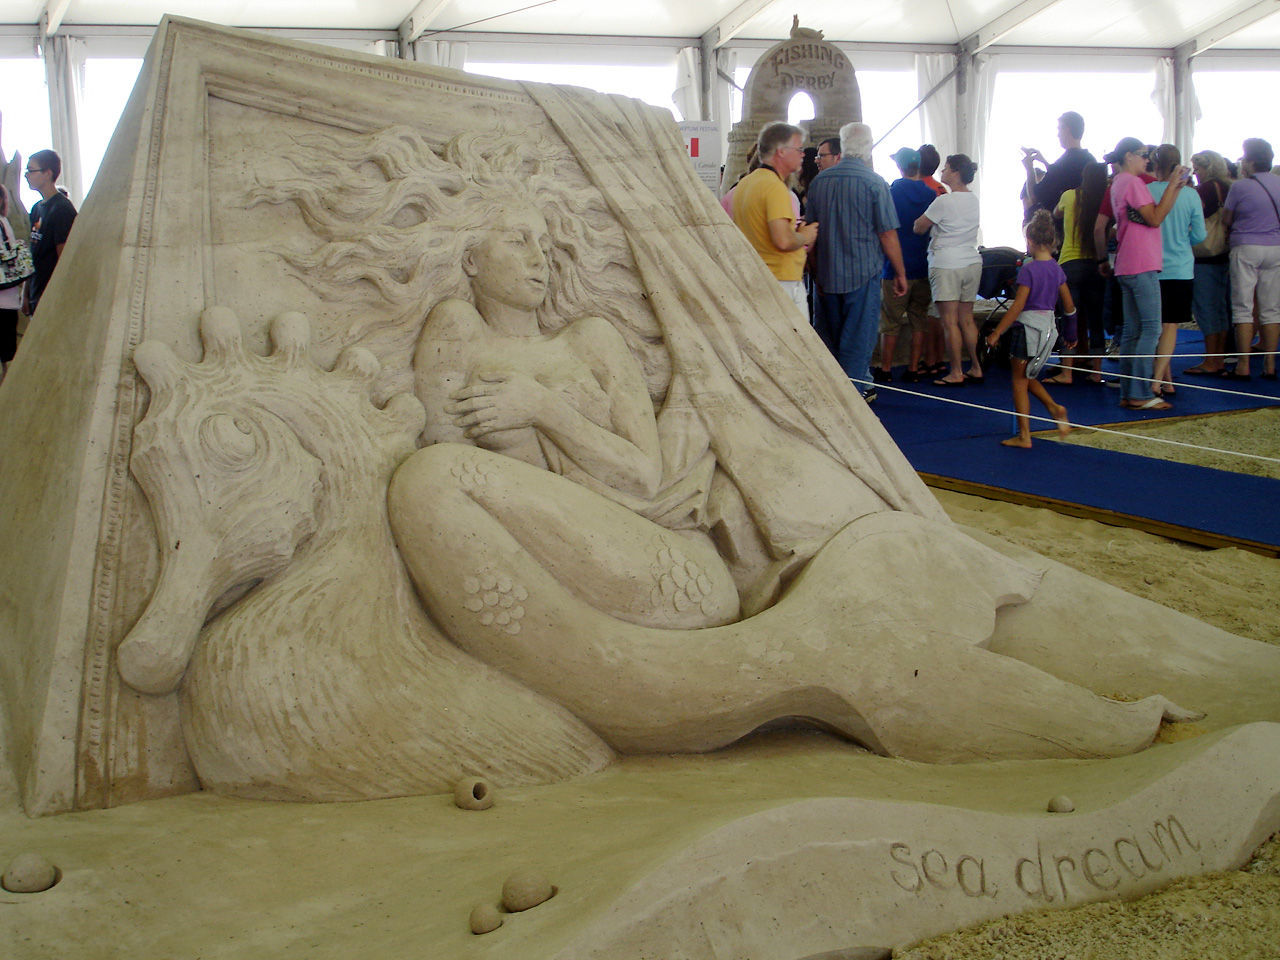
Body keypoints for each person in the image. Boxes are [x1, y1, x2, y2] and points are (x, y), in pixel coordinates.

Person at [804, 122, 907, 400]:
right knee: (858, 345)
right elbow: (887, 234)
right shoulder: (875, 182)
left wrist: (816, 272)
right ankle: (852, 404)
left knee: (829, 343)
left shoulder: (819, 182)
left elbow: (810, 232)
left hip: (826, 275)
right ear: (868, 147)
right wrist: (900, 273)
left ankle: (831, 400)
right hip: (862, 274)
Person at [1098, 136, 1189, 411]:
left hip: (1127, 263)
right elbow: (1155, 218)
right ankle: (1139, 392)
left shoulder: (1118, 183)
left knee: (1133, 330)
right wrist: (1172, 186)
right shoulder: (1133, 183)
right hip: (1141, 263)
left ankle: (1130, 392)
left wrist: (1174, 188)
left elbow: (1153, 216)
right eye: (1143, 154)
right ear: (1128, 156)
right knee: (1151, 328)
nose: (1147, 160)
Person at [984, 210, 1077, 447]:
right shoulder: (1057, 269)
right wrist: (1071, 333)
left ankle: (1025, 435)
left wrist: (997, 332)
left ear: (1030, 241)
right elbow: (1069, 307)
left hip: (1026, 330)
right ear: (1053, 241)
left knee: (1018, 381)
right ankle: (1054, 408)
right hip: (1047, 331)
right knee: (1027, 375)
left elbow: (1018, 306)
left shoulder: (1028, 270)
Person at [731, 122, 817, 317]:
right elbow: (783, 241)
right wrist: (805, 235)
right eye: (799, 149)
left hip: (757, 276)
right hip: (781, 280)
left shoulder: (746, 182)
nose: (803, 154)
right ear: (781, 151)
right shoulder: (774, 187)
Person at [914, 154, 984, 385]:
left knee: (950, 322)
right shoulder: (973, 200)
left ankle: (956, 372)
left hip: (946, 263)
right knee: (967, 319)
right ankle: (976, 367)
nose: (942, 172)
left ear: (955, 173)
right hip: (971, 261)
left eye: (945, 168)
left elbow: (919, 227)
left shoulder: (944, 201)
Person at [1148, 144, 1206, 396]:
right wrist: (1183, 240)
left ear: (1155, 164)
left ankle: (1163, 379)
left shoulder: (1147, 191)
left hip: (1151, 266)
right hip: (1181, 267)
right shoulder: (1190, 195)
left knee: (1155, 326)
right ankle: (1159, 381)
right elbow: (1200, 235)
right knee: (1170, 326)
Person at [1221, 138, 1280, 380]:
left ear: (1252, 161)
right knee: (1271, 309)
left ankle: (1243, 365)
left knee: (1243, 308)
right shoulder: (1279, 183)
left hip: (1245, 247)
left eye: (1244, 158)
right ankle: (1270, 365)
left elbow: (1226, 219)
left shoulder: (1240, 186)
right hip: (1275, 248)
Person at [875, 147, 935, 384]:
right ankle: (913, 369)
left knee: (890, 321)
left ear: (899, 167)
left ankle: (886, 369)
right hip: (923, 265)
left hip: (895, 267)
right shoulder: (931, 194)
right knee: (919, 319)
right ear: (917, 167)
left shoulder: (891, 193)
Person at [1046, 160, 1108, 384]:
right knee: (1096, 320)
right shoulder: (1104, 199)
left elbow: (1055, 214)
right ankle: (1097, 372)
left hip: (1070, 264)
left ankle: (1067, 372)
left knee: (1069, 319)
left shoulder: (1069, 196)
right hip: (1096, 264)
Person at [1183, 150, 1235, 376]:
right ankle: (1219, 357)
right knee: (1220, 308)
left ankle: (1211, 359)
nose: (1196, 173)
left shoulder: (1205, 189)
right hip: (1223, 254)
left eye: (1198, 169)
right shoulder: (1228, 186)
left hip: (1204, 257)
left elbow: (1193, 216)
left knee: (1205, 309)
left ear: (1208, 168)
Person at [21, 149, 76, 318]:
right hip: (36, 294)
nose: (26, 175)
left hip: (52, 297)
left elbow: (65, 258)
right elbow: (33, 253)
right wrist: (25, 293)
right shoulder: (37, 208)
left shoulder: (62, 208)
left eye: (31, 170)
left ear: (47, 173)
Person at [1020, 111, 1096, 221]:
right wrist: (1045, 163)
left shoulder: (1062, 164)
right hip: (1085, 225)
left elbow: (1034, 197)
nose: (1058, 134)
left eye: (1059, 129)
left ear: (1066, 130)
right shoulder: (1091, 160)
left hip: (1062, 227)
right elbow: (1064, 178)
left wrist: (1029, 169)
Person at [0, 184, 21, 375]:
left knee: (7, 357)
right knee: (7, 356)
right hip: (9, 299)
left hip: (3, 300)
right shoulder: (4, 222)